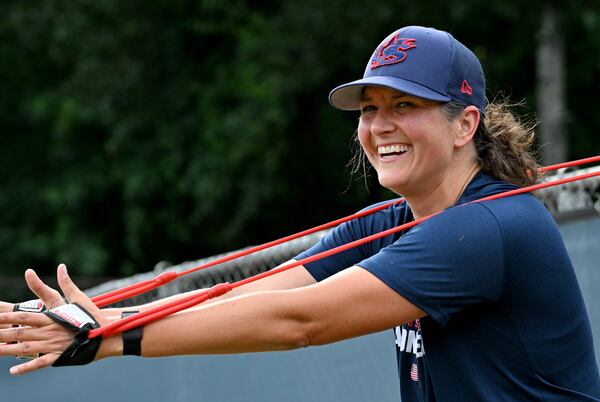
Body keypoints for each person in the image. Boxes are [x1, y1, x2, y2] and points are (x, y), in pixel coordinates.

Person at [1, 25, 599, 401]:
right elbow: (250, 292)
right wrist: (102, 315)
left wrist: (111, 339)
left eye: (404, 105)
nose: (378, 125)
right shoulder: (393, 222)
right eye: (368, 108)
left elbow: (300, 321)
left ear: (465, 124)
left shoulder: (487, 229)